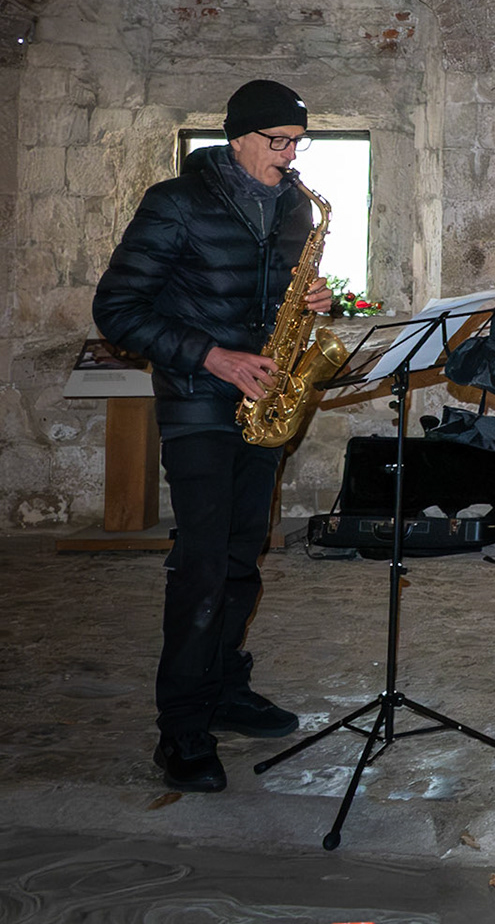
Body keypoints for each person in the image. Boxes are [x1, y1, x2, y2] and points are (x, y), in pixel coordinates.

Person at [93, 79, 333, 792]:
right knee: (200, 565)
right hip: (199, 403)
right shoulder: (175, 203)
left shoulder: (293, 206)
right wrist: (212, 355)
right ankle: (182, 731)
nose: (289, 157)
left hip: (262, 404)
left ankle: (226, 685)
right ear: (237, 137)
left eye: (298, 143)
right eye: (276, 142)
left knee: (241, 557)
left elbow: (276, 298)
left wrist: (316, 297)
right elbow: (118, 307)